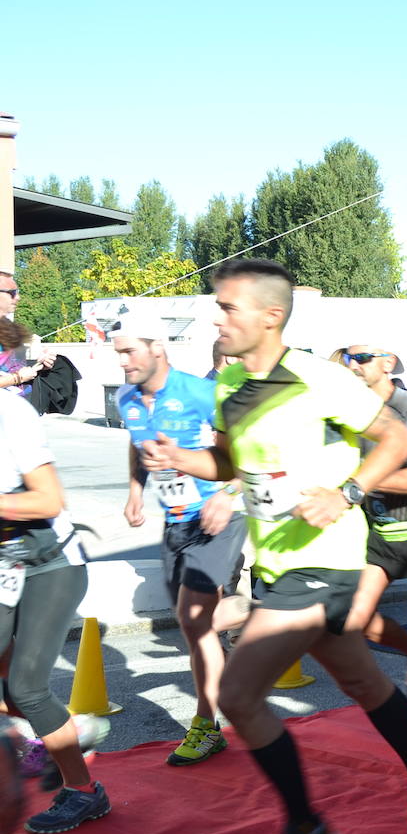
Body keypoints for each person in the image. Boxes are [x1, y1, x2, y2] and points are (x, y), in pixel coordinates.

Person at [142, 259, 407, 834]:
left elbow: (396, 440)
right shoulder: (231, 384)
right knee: (364, 683)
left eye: (229, 307)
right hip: (277, 563)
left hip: (328, 558)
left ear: (270, 315)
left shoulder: (317, 378)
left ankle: (305, 826)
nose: (217, 316)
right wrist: (182, 456)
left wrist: (346, 492)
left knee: (237, 693)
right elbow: (233, 465)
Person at [115, 313, 248, 766]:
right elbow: (137, 444)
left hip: (217, 518)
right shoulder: (127, 397)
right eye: (119, 353)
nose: (123, 362)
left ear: (157, 348)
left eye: (129, 351)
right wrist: (135, 492)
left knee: (195, 620)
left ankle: (207, 724)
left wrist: (228, 494)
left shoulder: (200, 392)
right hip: (175, 521)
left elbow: (244, 452)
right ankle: (266, 612)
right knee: (195, 627)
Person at [1, 390, 108, 834]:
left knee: (26, 687)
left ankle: (83, 791)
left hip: (53, 565)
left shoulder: (9, 411)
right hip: (8, 564)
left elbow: (48, 501)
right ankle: (63, 733)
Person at [338, 344, 407, 711]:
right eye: (351, 358)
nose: (355, 365)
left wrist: (363, 481)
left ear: (388, 363)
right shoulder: (351, 406)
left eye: (363, 358)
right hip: (378, 533)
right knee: (358, 617)